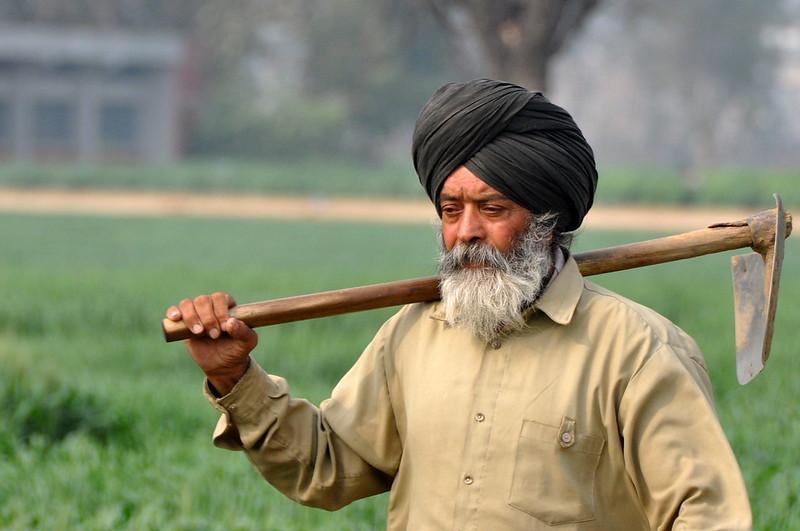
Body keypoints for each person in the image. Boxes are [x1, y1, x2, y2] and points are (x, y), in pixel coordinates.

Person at [166, 79, 752, 530]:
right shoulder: (413, 335)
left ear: (546, 223)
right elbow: (327, 465)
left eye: (492, 210)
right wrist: (234, 375)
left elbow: (707, 515)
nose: (465, 232)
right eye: (451, 211)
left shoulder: (637, 352)